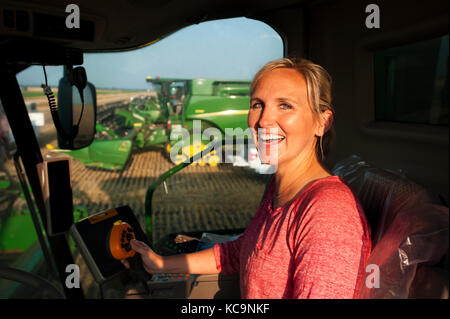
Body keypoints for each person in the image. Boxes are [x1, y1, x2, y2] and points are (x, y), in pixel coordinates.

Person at [122, 58, 372, 299]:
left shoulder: (328, 211)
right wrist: (160, 264)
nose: (263, 121)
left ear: (322, 122)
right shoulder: (278, 187)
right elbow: (245, 251)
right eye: (257, 104)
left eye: (285, 105)